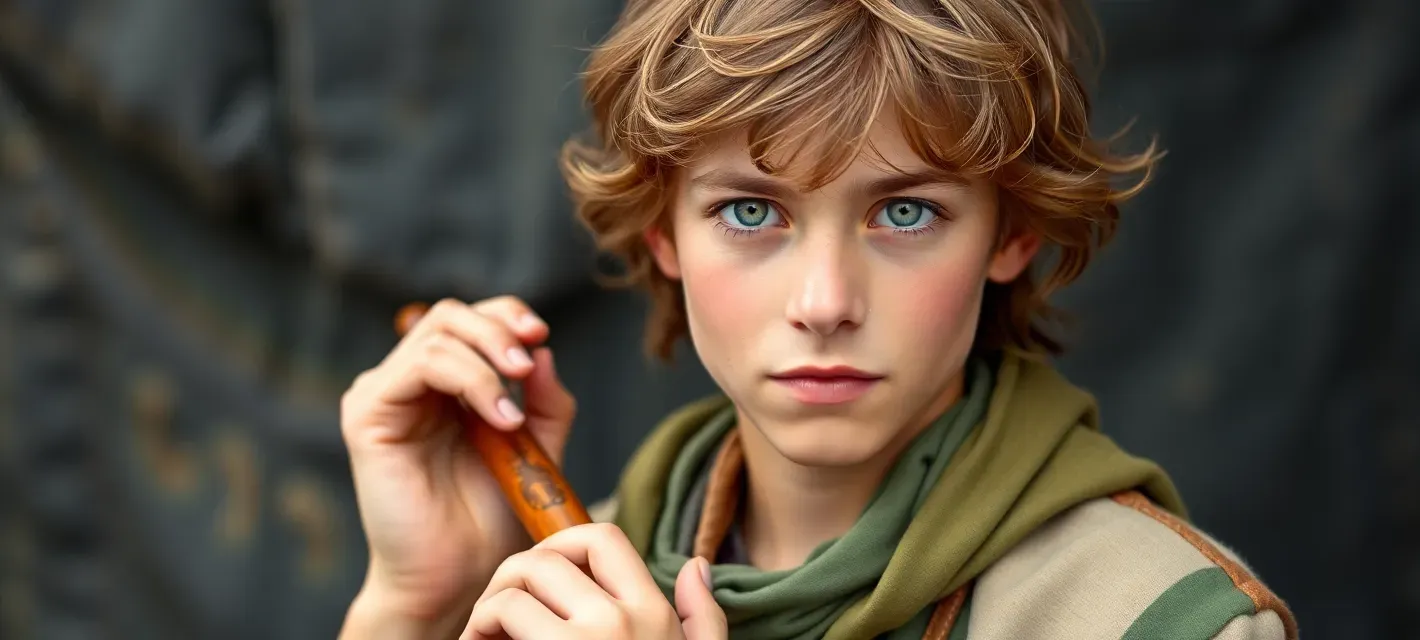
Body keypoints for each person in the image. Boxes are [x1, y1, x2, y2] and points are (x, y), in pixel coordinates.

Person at [336, 0, 1297, 638]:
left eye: (906, 212)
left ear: (1013, 232)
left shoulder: (1160, 620)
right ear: (663, 229)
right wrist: (413, 607)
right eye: (752, 212)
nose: (825, 304)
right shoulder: (571, 602)